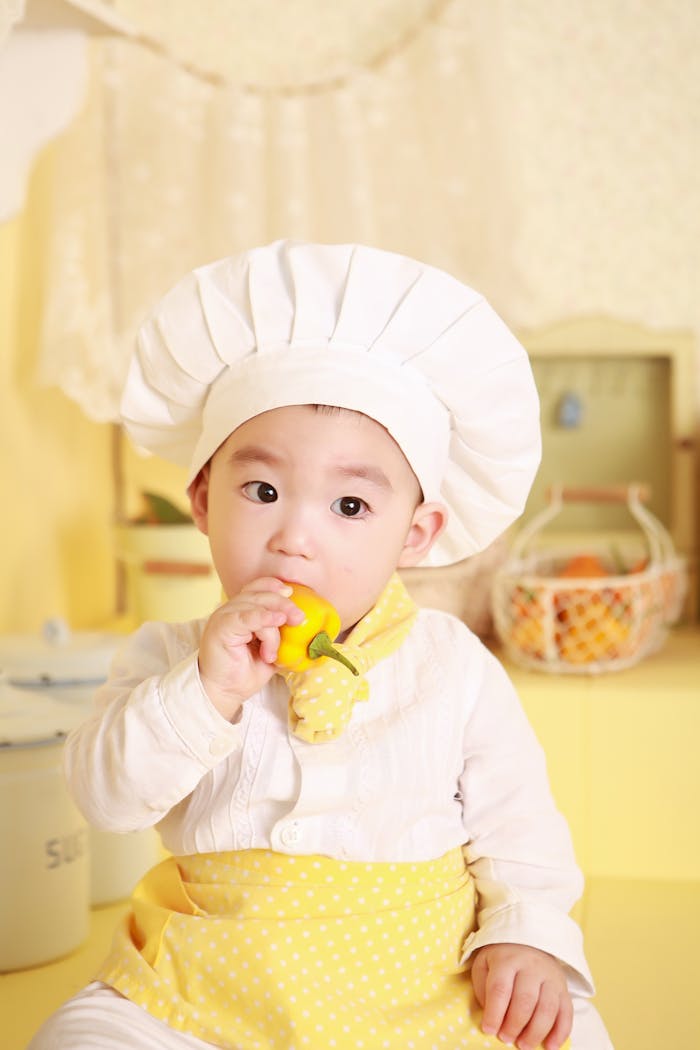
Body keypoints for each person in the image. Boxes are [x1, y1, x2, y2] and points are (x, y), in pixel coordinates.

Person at [29, 241, 613, 1050]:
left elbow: (521, 824)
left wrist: (527, 935)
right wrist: (204, 690)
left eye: (349, 506)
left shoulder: (453, 665)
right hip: (203, 982)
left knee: (570, 1033)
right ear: (203, 500)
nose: (294, 538)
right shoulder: (168, 656)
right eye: (262, 491)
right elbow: (106, 798)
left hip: (424, 982)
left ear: (417, 532)